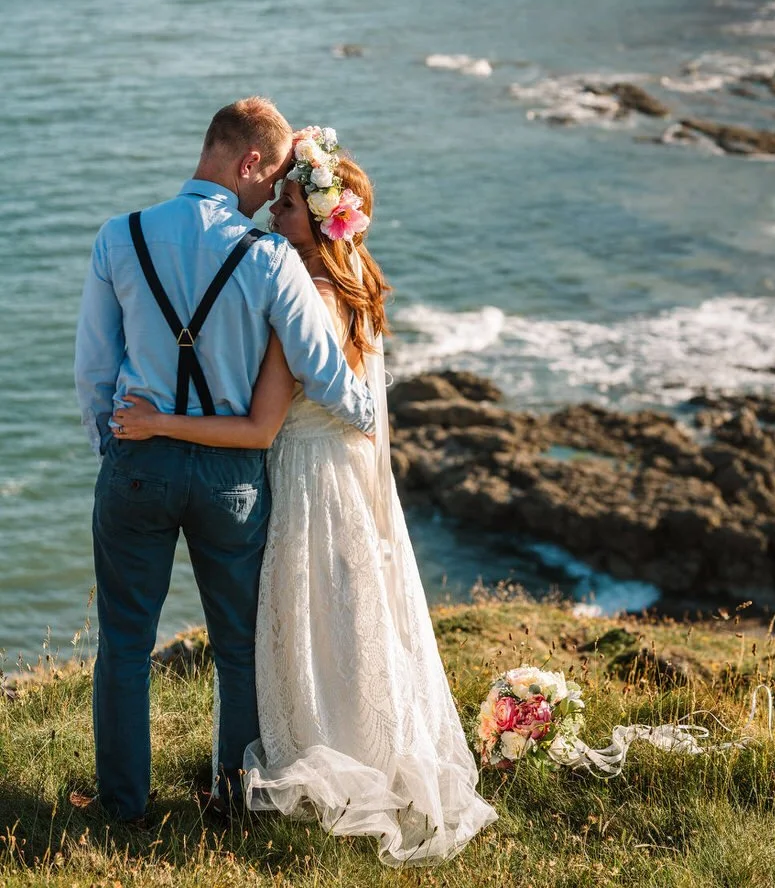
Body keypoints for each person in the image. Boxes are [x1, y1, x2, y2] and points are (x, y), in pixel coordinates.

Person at [115, 128, 498, 865]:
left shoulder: (309, 300)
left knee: (304, 624)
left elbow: (261, 429)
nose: (270, 218)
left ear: (321, 221)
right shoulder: (357, 290)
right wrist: (296, 153)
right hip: (347, 480)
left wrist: (157, 419)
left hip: (303, 483)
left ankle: (308, 768)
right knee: (348, 624)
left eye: (287, 206)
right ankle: (362, 749)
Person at [74, 101, 374, 826]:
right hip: (229, 478)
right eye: (270, 176)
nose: (272, 196)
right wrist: (371, 421)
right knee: (237, 647)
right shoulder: (269, 258)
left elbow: (93, 369)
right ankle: (230, 801)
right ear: (246, 161)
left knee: (123, 644)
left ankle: (123, 809)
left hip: (139, 460)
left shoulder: (122, 236)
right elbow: (320, 367)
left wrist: (113, 448)